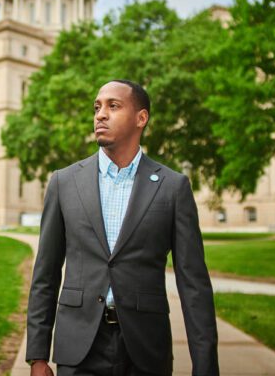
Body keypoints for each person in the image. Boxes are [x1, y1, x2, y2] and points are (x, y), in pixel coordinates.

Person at [26, 80, 218, 376]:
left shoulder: (172, 187)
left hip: (145, 349)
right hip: (78, 349)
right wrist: (37, 356)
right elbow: (45, 274)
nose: (100, 114)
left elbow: (194, 285)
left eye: (113, 106)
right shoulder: (63, 183)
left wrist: (205, 367)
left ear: (141, 118)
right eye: (97, 107)